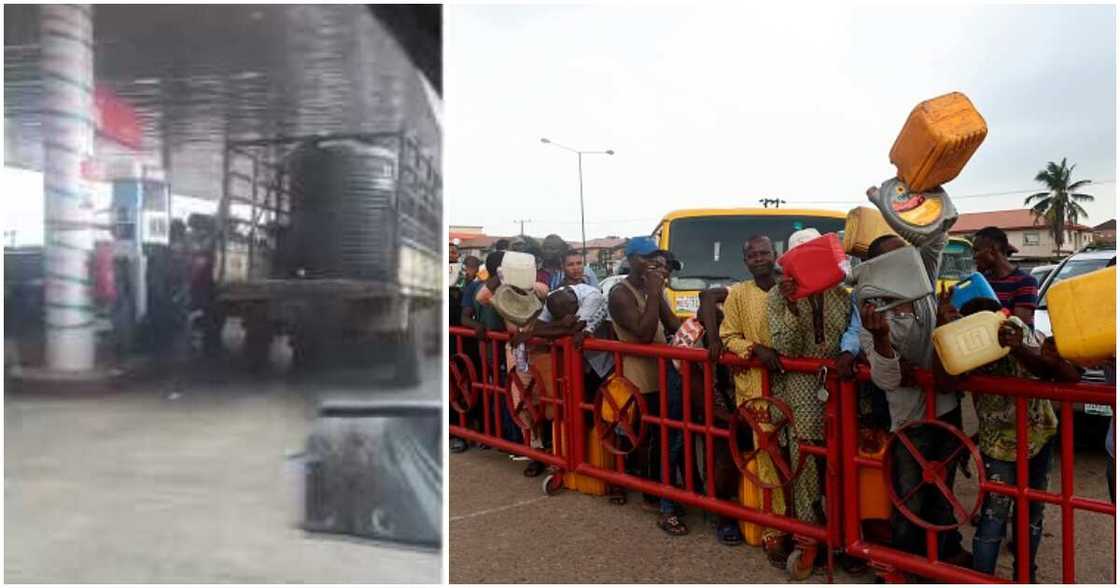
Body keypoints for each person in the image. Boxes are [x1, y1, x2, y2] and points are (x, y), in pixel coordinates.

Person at [940, 297, 1081, 582]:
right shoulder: (963, 343)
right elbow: (945, 380)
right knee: (994, 516)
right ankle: (983, 579)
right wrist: (942, 328)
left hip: (1039, 436)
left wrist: (1017, 348)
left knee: (1031, 514)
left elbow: (1058, 373)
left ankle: (1026, 576)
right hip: (998, 444)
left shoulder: (1015, 329)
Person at [858, 227, 971, 571]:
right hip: (910, 419)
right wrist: (882, 341)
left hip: (947, 410)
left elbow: (938, 234)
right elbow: (887, 379)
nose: (909, 260)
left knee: (943, 493)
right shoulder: (873, 314)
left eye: (908, 252)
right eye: (899, 256)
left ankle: (942, 558)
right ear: (879, 267)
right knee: (909, 497)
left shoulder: (924, 288)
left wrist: (916, 200)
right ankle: (904, 567)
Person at [765, 228, 852, 579]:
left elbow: (849, 338)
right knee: (805, 467)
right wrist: (790, 304)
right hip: (801, 389)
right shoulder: (777, 296)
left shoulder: (843, 295)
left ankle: (844, 538)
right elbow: (787, 347)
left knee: (842, 462)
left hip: (840, 389)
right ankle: (809, 540)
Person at [608, 236, 685, 536]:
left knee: (660, 434)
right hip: (637, 374)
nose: (653, 263)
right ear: (631, 260)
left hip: (662, 371)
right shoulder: (620, 293)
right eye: (646, 258)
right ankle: (642, 489)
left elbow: (673, 326)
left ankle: (656, 489)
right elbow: (642, 333)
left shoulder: (652, 290)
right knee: (641, 435)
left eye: (656, 257)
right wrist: (654, 292)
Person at [716, 235, 789, 551]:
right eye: (752, 254)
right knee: (766, 453)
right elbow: (728, 336)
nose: (759, 258)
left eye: (764, 252)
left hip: (793, 386)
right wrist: (756, 349)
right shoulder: (738, 295)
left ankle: (802, 525)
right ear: (745, 261)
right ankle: (774, 528)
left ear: (776, 255)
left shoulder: (790, 289)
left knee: (796, 455)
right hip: (755, 388)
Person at [972, 226, 1038, 327]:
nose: (974, 256)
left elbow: (1018, 327)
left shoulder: (1026, 282)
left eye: (977, 250)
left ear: (992, 250)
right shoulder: (983, 281)